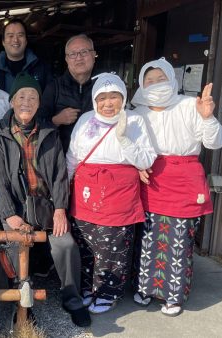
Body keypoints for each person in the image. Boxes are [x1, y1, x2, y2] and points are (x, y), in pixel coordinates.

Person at [0, 72, 90, 327]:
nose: (26, 102)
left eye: (32, 97)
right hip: (16, 207)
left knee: (65, 244)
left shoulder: (49, 131)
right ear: (12, 101)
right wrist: (9, 213)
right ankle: (22, 304)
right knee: (15, 248)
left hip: (45, 205)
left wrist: (60, 209)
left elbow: (59, 174)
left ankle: (72, 298)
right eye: (21, 96)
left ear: (38, 103)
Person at [131, 57, 222, 316]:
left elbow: (215, 142)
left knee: (178, 240)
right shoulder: (137, 112)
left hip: (183, 179)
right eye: (149, 80)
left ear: (172, 79)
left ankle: (172, 295)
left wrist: (207, 117)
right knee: (147, 237)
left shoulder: (188, 105)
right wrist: (137, 165)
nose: (155, 84)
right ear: (141, 84)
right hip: (150, 180)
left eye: (161, 78)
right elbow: (129, 146)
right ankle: (144, 288)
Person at [66, 73, 156, 314]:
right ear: (94, 100)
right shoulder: (86, 119)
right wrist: (64, 183)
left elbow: (146, 159)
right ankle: (88, 287)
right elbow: (73, 155)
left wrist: (124, 139)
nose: (108, 103)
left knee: (113, 247)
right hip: (86, 192)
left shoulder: (135, 120)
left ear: (123, 97)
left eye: (114, 97)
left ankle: (108, 292)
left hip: (119, 192)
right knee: (86, 245)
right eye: (102, 98)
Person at [41, 34, 97, 154]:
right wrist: (56, 120)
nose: (79, 58)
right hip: (60, 159)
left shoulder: (102, 87)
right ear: (66, 59)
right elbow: (37, 124)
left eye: (84, 52)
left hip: (95, 161)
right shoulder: (54, 88)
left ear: (93, 55)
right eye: (73, 54)